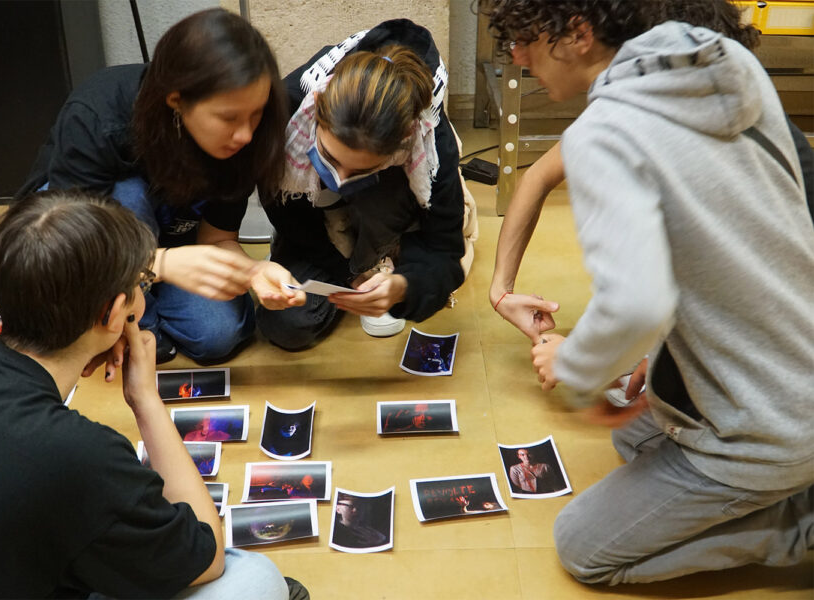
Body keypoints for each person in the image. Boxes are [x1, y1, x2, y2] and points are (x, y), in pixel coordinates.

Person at [487, 0, 814, 586]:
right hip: (796, 378)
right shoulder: (728, 64)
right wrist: (660, 358)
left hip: (773, 426)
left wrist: (578, 365)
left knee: (582, 549)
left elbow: (635, 303)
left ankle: (797, 523)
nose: (517, 57)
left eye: (527, 41)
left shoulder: (604, 132)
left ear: (580, 34)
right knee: (636, 436)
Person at [0, 191, 300, 599]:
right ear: (115, 313)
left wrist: (91, 341)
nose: (143, 291)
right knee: (254, 578)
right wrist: (145, 399)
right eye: (142, 283)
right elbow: (207, 557)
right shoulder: (81, 454)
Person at [488, 0, 814, 343]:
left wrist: (579, 359)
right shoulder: (658, 107)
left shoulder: (727, 157)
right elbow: (537, 176)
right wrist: (501, 290)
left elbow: (725, 307)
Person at [18, 8, 304, 365]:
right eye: (228, 118)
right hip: (80, 244)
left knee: (219, 335)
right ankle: (131, 318)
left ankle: (132, 310)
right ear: (176, 100)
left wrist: (254, 271)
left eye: (256, 113)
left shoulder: (244, 142)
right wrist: (161, 263)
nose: (245, 134)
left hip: (167, 240)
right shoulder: (98, 116)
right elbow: (66, 242)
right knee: (130, 195)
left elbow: (216, 239)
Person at [257, 19, 476, 349]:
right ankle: (365, 252)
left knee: (429, 258)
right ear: (317, 108)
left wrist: (403, 288)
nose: (340, 177)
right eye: (330, 156)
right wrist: (348, 275)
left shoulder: (430, 141)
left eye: (359, 168)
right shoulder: (288, 110)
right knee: (289, 325)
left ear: (406, 141)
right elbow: (286, 214)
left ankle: (403, 235)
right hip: (321, 218)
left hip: (394, 202)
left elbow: (444, 255)